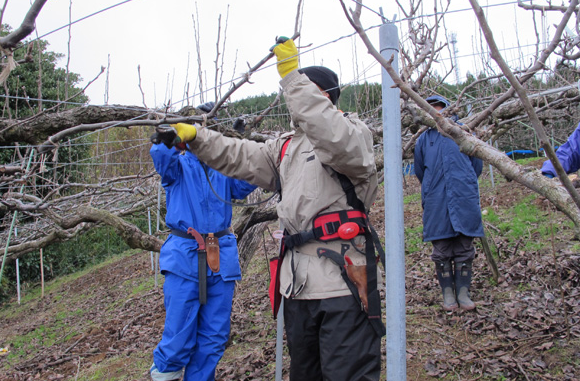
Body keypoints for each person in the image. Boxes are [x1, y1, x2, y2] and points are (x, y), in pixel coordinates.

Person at [165, 37, 383, 381]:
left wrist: (292, 77)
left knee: (348, 375)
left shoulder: (354, 135)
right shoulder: (285, 149)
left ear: (322, 97)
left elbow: (334, 138)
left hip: (344, 283)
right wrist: (197, 138)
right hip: (297, 285)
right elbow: (239, 155)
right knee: (304, 374)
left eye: (301, 93)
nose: (292, 101)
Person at [149, 116, 257, 381]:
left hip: (221, 257)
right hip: (185, 258)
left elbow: (245, 182)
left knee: (215, 336)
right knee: (178, 336)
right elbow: (162, 158)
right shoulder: (179, 165)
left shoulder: (222, 167)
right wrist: (167, 139)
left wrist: (242, 147)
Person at [413, 95, 484, 312]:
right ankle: (447, 292)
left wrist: (463, 183)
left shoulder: (464, 132)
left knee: (464, 245)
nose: (438, 113)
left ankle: (463, 291)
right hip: (436, 198)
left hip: (463, 196)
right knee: (441, 248)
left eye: (441, 109)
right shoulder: (424, 139)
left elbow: (476, 166)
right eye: (432, 110)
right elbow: (419, 170)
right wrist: (433, 188)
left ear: (449, 110)